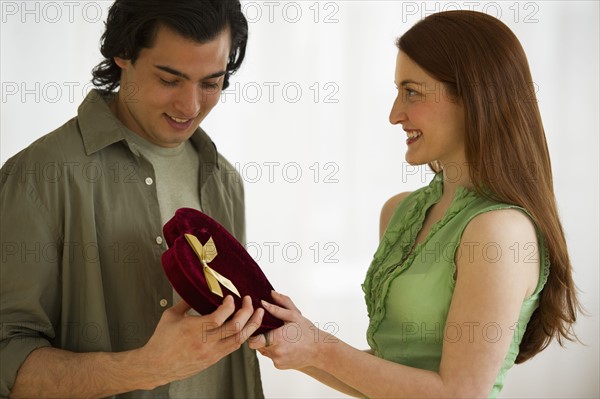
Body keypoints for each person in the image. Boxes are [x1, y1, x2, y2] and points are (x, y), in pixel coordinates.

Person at [249, 10, 580, 398]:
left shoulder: (500, 232)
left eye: (412, 92)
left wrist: (320, 346)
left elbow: (457, 393)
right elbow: (390, 377)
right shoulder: (399, 212)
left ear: (472, 97)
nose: (394, 115)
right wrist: (293, 343)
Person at [0, 0, 266, 398]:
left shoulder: (225, 180)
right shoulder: (41, 175)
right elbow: (7, 354)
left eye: (210, 83)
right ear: (122, 54)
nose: (190, 106)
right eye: (169, 79)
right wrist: (143, 369)